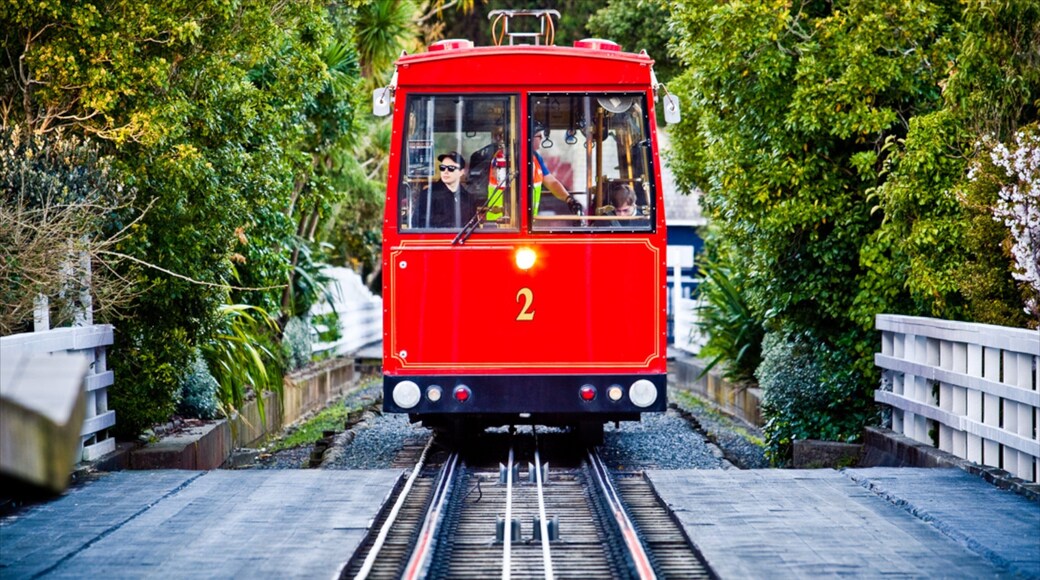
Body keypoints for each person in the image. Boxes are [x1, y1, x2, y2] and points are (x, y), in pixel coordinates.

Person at [530, 121, 582, 217]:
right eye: (539, 136)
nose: (542, 138)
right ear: (529, 138)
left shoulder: (535, 158)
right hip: (502, 221)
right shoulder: (515, 158)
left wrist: (569, 199)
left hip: (529, 217)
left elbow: (551, 182)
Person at [414, 151, 475, 228]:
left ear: (461, 172)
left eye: (451, 168)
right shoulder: (428, 195)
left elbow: (472, 227)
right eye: (442, 168)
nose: (445, 172)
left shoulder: (468, 198)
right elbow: (417, 225)